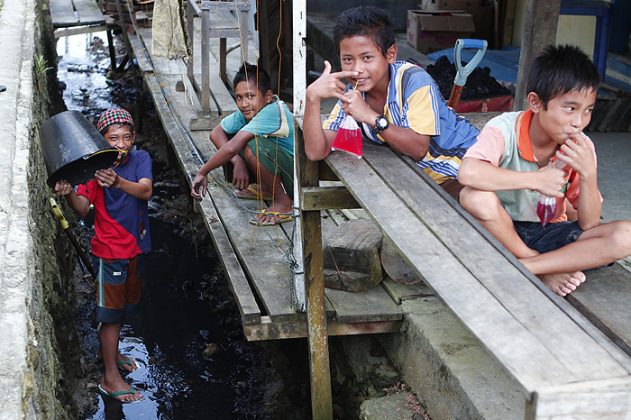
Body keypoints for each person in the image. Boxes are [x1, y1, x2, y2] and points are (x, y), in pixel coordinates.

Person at [458, 45, 631, 297]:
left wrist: (588, 174)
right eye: (570, 108)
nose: (579, 121)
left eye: (588, 110)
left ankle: (526, 267)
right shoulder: (504, 129)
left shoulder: (580, 147)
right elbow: (468, 173)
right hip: (499, 229)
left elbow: (589, 223)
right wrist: (535, 179)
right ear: (536, 103)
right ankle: (540, 265)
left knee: (626, 235)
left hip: (548, 231)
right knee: (474, 196)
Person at [302, 6, 480, 197]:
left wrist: (371, 117)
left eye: (367, 57)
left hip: (466, 168)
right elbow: (315, 152)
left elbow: (419, 149)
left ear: (390, 54)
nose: (357, 69)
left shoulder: (414, 81)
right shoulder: (353, 93)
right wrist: (312, 98)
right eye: (348, 59)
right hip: (427, 179)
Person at [54, 108, 152, 403]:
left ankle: (111, 352)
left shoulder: (140, 160)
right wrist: (70, 191)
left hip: (135, 249)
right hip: (109, 254)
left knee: (123, 308)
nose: (121, 144)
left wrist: (119, 182)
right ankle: (110, 377)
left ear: (133, 138)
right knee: (110, 317)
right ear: (102, 141)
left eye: (126, 137)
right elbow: (83, 209)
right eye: (114, 139)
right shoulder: (97, 169)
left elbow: (145, 192)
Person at [191, 62, 295, 226]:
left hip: (296, 178)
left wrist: (203, 172)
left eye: (250, 96)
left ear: (267, 96)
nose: (244, 103)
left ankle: (284, 203)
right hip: (283, 171)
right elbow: (216, 133)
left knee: (253, 146)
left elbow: (232, 147)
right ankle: (268, 188)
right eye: (239, 97)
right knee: (243, 143)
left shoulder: (272, 110)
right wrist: (236, 161)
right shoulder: (249, 111)